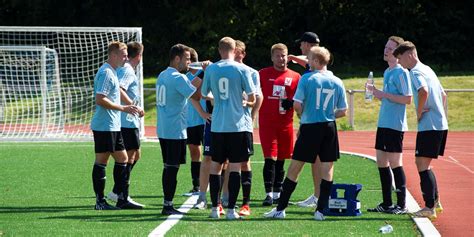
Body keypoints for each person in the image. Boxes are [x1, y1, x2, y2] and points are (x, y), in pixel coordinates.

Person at [264, 46, 347, 221]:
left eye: (309, 59)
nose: (307, 62)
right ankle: (321, 211)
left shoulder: (307, 78)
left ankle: (280, 209)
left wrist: (304, 115)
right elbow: (342, 111)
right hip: (329, 127)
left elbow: (297, 104)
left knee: (295, 167)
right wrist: (328, 115)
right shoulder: (338, 81)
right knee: (327, 167)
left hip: (310, 126)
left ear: (316, 61)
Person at [201, 36, 256, 220]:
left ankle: (215, 208)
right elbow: (252, 98)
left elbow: (204, 93)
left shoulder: (211, 69)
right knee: (234, 167)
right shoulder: (242, 69)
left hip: (218, 125)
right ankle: (231, 210)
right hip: (237, 125)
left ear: (219, 50)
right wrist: (245, 101)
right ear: (235, 50)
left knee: (215, 166)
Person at [393, 41, 448, 220]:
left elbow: (423, 91)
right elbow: (443, 95)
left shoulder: (415, 72)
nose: (400, 63)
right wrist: (440, 113)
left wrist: (419, 112)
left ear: (410, 55)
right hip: (439, 124)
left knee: (421, 164)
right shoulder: (428, 69)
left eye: (400, 58)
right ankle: (435, 202)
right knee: (424, 163)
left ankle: (429, 206)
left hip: (429, 125)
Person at [90, 41, 142, 210]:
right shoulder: (106, 72)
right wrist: (124, 108)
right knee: (104, 161)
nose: (126, 58)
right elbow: (100, 99)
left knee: (123, 159)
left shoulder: (112, 71)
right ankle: (101, 201)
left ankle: (119, 197)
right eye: (124, 54)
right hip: (105, 125)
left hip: (112, 125)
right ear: (113, 55)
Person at [366, 36, 412, 215]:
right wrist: (375, 93)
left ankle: (401, 204)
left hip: (395, 125)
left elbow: (407, 99)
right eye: (385, 47)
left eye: (390, 48)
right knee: (381, 162)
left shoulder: (402, 72)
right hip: (384, 123)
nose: (386, 50)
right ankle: (387, 203)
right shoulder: (387, 71)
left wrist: (383, 94)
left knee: (395, 163)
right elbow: (387, 97)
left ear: (398, 52)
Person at [156, 43, 202, 215]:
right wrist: (203, 73)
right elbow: (196, 95)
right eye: (187, 59)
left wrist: (196, 73)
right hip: (175, 130)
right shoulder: (178, 78)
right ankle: (167, 205)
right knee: (172, 168)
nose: (189, 62)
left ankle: (167, 203)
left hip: (164, 129)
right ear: (177, 59)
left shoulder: (162, 74)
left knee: (168, 167)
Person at [258, 43, 301, 206]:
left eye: (283, 55)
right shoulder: (262, 74)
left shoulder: (296, 76)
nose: (281, 59)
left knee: (282, 159)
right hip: (267, 124)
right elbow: (254, 94)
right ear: (272, 57)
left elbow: (300, 100)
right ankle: (268, 194)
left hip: (286, 124)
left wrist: (293, 104)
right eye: (277, 55)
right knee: (270, 158)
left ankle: (278, 194)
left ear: (287, 57)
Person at [106, 41, 145, 208]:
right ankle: (120, 194)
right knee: (128, 156)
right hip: (126, 121)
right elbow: (120, 89)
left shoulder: (127, 69)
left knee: (135, 155)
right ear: (140, 56)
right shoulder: (128, 70)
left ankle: (118, 191)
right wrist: (133, 106)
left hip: (128, 121)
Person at [288, 31, 322, 208]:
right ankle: (317, 195)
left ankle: (318, 196)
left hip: (312, 119)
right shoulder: (317, 61)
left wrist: (302, 118)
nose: (300, 46)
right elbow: (306, 60)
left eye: (302, 44)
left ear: (307, 44)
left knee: (311, 158)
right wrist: (295, 58)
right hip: (319, 119)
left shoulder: (314, 64)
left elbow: (307, 60)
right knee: (317, 158)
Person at [233, 39, 263, 216]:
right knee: (223, 162)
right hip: (224, 124)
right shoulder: (223, 69)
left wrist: (253, 116)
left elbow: (258, 96)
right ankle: (224, 200)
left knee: (244, 161)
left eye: (237, 51)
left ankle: (245, 203)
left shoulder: (251, 72)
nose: (233, 54)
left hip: (243, 124)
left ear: (242, 54)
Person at [184, 48, 208, 195]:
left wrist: (205, 71)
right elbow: (190, 89)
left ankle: (209, 183)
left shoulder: (206, 74)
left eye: (187, 60)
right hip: (190, 121)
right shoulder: (184, 77)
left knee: (209, 154)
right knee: (194, 151)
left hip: (205, 119)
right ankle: (196, 185)